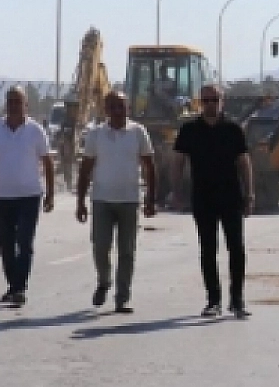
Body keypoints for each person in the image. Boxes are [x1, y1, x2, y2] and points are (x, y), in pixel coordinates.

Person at [0, 86, 55, 308]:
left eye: (18, 101)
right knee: (6, 246)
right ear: (5, 104)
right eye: (10, 101)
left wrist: (50, 194)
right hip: (3, 197)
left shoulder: (36, 131)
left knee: (24, 243)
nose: (14, 105)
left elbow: (47, 162)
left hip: (29, 196)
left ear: (26, 105)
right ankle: (14, 286)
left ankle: (19, 288)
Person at [174, 84, 253, 319]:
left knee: (236, 249)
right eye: (206, 100)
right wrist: (176, 192)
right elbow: (178, 163)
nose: (210, 104)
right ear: (200, 102)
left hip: (231, 197)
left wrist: (250, 194)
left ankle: (237, 300)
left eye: (214, 100)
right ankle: (213, 300)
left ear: (222, 101)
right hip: (203, 198)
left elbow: (244, 164)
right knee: (208, 250)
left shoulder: (233, 129)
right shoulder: (189, 130)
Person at [76, 90, 157, 314]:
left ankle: (122, 297)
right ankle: (104, 281)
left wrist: (151, 198)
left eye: (121, 106)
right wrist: (81, 201)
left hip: (129, 200)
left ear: (128, 108)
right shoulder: (96, 135)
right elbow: (85, 170)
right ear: (106, 110)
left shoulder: (138, 132)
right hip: (102, 199)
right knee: (100, 246)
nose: (117, 111)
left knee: (127, 251)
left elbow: (149, 166)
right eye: (112, 106)